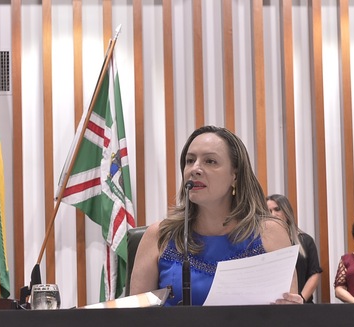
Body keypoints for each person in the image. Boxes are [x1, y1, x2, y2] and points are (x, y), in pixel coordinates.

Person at [129, 125, 303, 305]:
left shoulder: (270, 232)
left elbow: (287, 311)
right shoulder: (159, 235)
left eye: (210, 161)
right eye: (190, 160)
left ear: (235, 176)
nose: (195, 169)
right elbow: (135, 316)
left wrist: (291, 308)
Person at [266, 194, 322, 302]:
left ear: (287, 212)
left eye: (277, 209)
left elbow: (314, 274)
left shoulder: (305, 240)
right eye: (269, 211)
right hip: (272, 305)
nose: (273, 214)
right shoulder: (261, 243)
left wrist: (301, 299)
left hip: (302, 305)